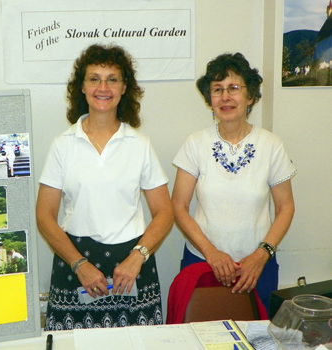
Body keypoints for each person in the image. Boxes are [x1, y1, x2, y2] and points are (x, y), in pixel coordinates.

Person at [36, 43, 173, 330]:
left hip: (132, 267)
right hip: (75, 265)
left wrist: (138, 257)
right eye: (94, 78)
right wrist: (79, 264)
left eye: (112, 79)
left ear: (124, 88)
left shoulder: (141, 144)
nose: (103, 87)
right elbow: (44, 216)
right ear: (82, 87)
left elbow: (165, 213)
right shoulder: (63, 145)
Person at [171, 52, 296, 311]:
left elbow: (286, 208)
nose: (225, 97)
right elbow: (178, 207)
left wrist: (261, 255)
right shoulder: (196, 143)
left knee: (256, 338)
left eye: (234, 88)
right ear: (210, 99)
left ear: (250, 96)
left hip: (257, 266)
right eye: (217, 89)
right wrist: (212, 254)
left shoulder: (271, 144)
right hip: (202, 262)